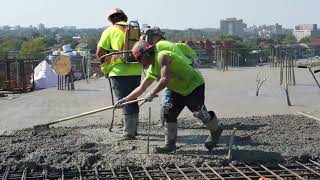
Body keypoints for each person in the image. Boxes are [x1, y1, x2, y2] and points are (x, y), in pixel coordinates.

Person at [115, 40, 223, 153]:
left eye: (139, 59)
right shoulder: (152, 70)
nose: (139, 63)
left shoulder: (162, 56)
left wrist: (151, 93)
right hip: (176, 90)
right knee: (168, 113)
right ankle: (170, 145)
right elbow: (141, 88)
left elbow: (164, 79)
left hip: (193, 85)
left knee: (199, 113)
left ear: (146, 54)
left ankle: (215, 130)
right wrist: (125, 100)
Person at [96, 8, 142, 140]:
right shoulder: (135, 30)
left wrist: (106, 65)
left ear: (111, 20)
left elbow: (99, 53)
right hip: (136, 69)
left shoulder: (109, 31)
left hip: (119, 71)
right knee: (133, 99)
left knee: (124, 100)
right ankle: (133, 129)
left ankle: (129, 132)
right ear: (124, 18)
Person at [141, 27, 199, 127]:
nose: (147, 39)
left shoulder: (161, 46)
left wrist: (193, 59)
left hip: (179, 76)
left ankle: (164, 123)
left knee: (170, 99)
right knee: (189, 98)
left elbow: (184, 49)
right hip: (174, 77)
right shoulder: (161, 46)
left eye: (149, 37)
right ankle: (165, 122)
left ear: (157, 36)